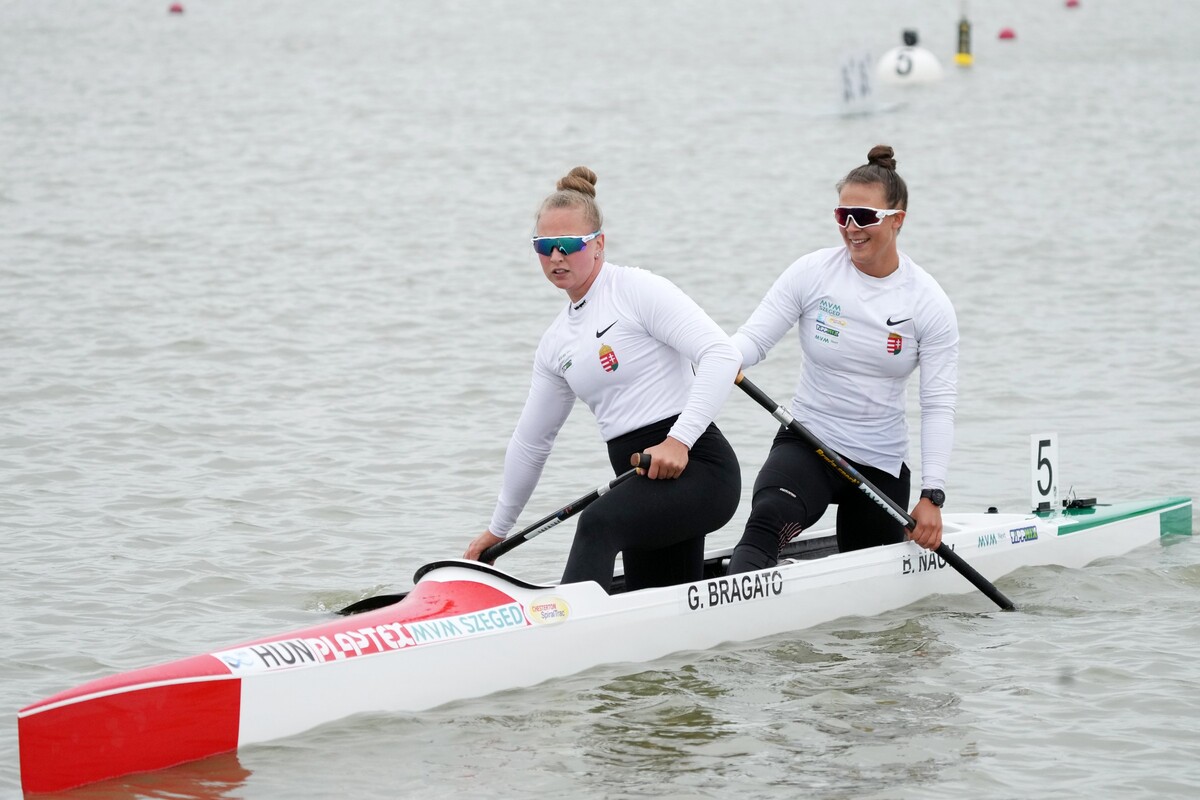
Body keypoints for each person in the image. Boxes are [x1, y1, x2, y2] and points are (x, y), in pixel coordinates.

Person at [463, 166, 742, 593]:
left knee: (597, 523)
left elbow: (721, 354)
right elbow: (532, 440)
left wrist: (678, 440)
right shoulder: (556, 342)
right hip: (640, 480)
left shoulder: (636, 290)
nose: (556, 257)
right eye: (544, 246)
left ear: (598, 245)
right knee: (660, 607)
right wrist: (499, 528)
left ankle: (560, 638)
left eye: (569, 245)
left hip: (697, 469)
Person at [726, 145, 958, 574]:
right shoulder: (812, 273)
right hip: (809, 442)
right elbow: (752, 341)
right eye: (842, 215)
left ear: (897, 220)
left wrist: (932, 496)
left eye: (864, 217)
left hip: (879, 463)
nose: (851, 228)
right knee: (767, 519)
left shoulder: (928, 302)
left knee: (873, 595)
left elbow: (938, 405)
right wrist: (716, 358)